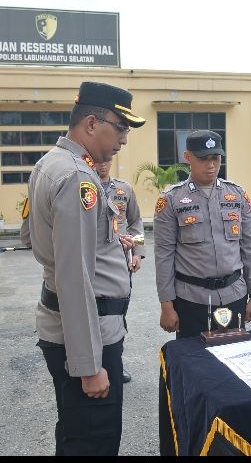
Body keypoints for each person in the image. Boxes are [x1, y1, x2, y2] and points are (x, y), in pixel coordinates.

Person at [28, 81, 145, 455]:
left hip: (84, 330)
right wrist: (88, 365)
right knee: (93, 441)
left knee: (77, 432)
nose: (124, 140)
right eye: (121, 128)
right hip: (86, 338)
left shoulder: (52, 163)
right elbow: (74, 276)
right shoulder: (78, 177)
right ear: (92, 123)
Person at [154, 130, 251, 339]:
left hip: (234, 295)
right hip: (191, 300)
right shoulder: (171, 200)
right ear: (187, 158)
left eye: (215, 158)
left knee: (233, 360)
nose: (211, 165)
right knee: (195, 364)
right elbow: (164, 255)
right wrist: (167, 305)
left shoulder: (237, 195)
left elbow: (249, 246)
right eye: (203, 158)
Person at [96, 158, 145, 383]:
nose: (103, 164)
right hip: (94, 263)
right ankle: (92, 365)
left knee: (118, 316)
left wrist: (137, 253)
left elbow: (136, 222)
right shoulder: (84, 188)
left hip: (120, 263)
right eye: (98, 160)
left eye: (107, 160)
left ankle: (115, 364)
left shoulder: (123, 189)